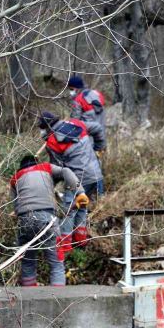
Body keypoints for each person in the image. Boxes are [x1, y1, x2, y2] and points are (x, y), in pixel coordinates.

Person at [10, 154, 87, 287]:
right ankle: (58, 303)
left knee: (28, 263)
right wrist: (80, 192)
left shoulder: (15, 178)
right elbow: (66, 171)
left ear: (21, 167)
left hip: (24, 221)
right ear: (36, 162)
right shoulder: (45, 167)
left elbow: (16, 207)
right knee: (56, 263)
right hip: (48, 219)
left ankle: (30, 302)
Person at [37, 111, 102, 252]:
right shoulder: (76, 124)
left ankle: (65, 247)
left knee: (69, 211)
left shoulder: (52, 142)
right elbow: (98, 127)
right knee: (82, 205)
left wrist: (49, 185)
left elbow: (59, 169)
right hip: (96, 174)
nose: (41, 132)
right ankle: (80, 242)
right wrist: (99, 148)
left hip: (76, 179)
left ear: (47, 127)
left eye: (41, 128)